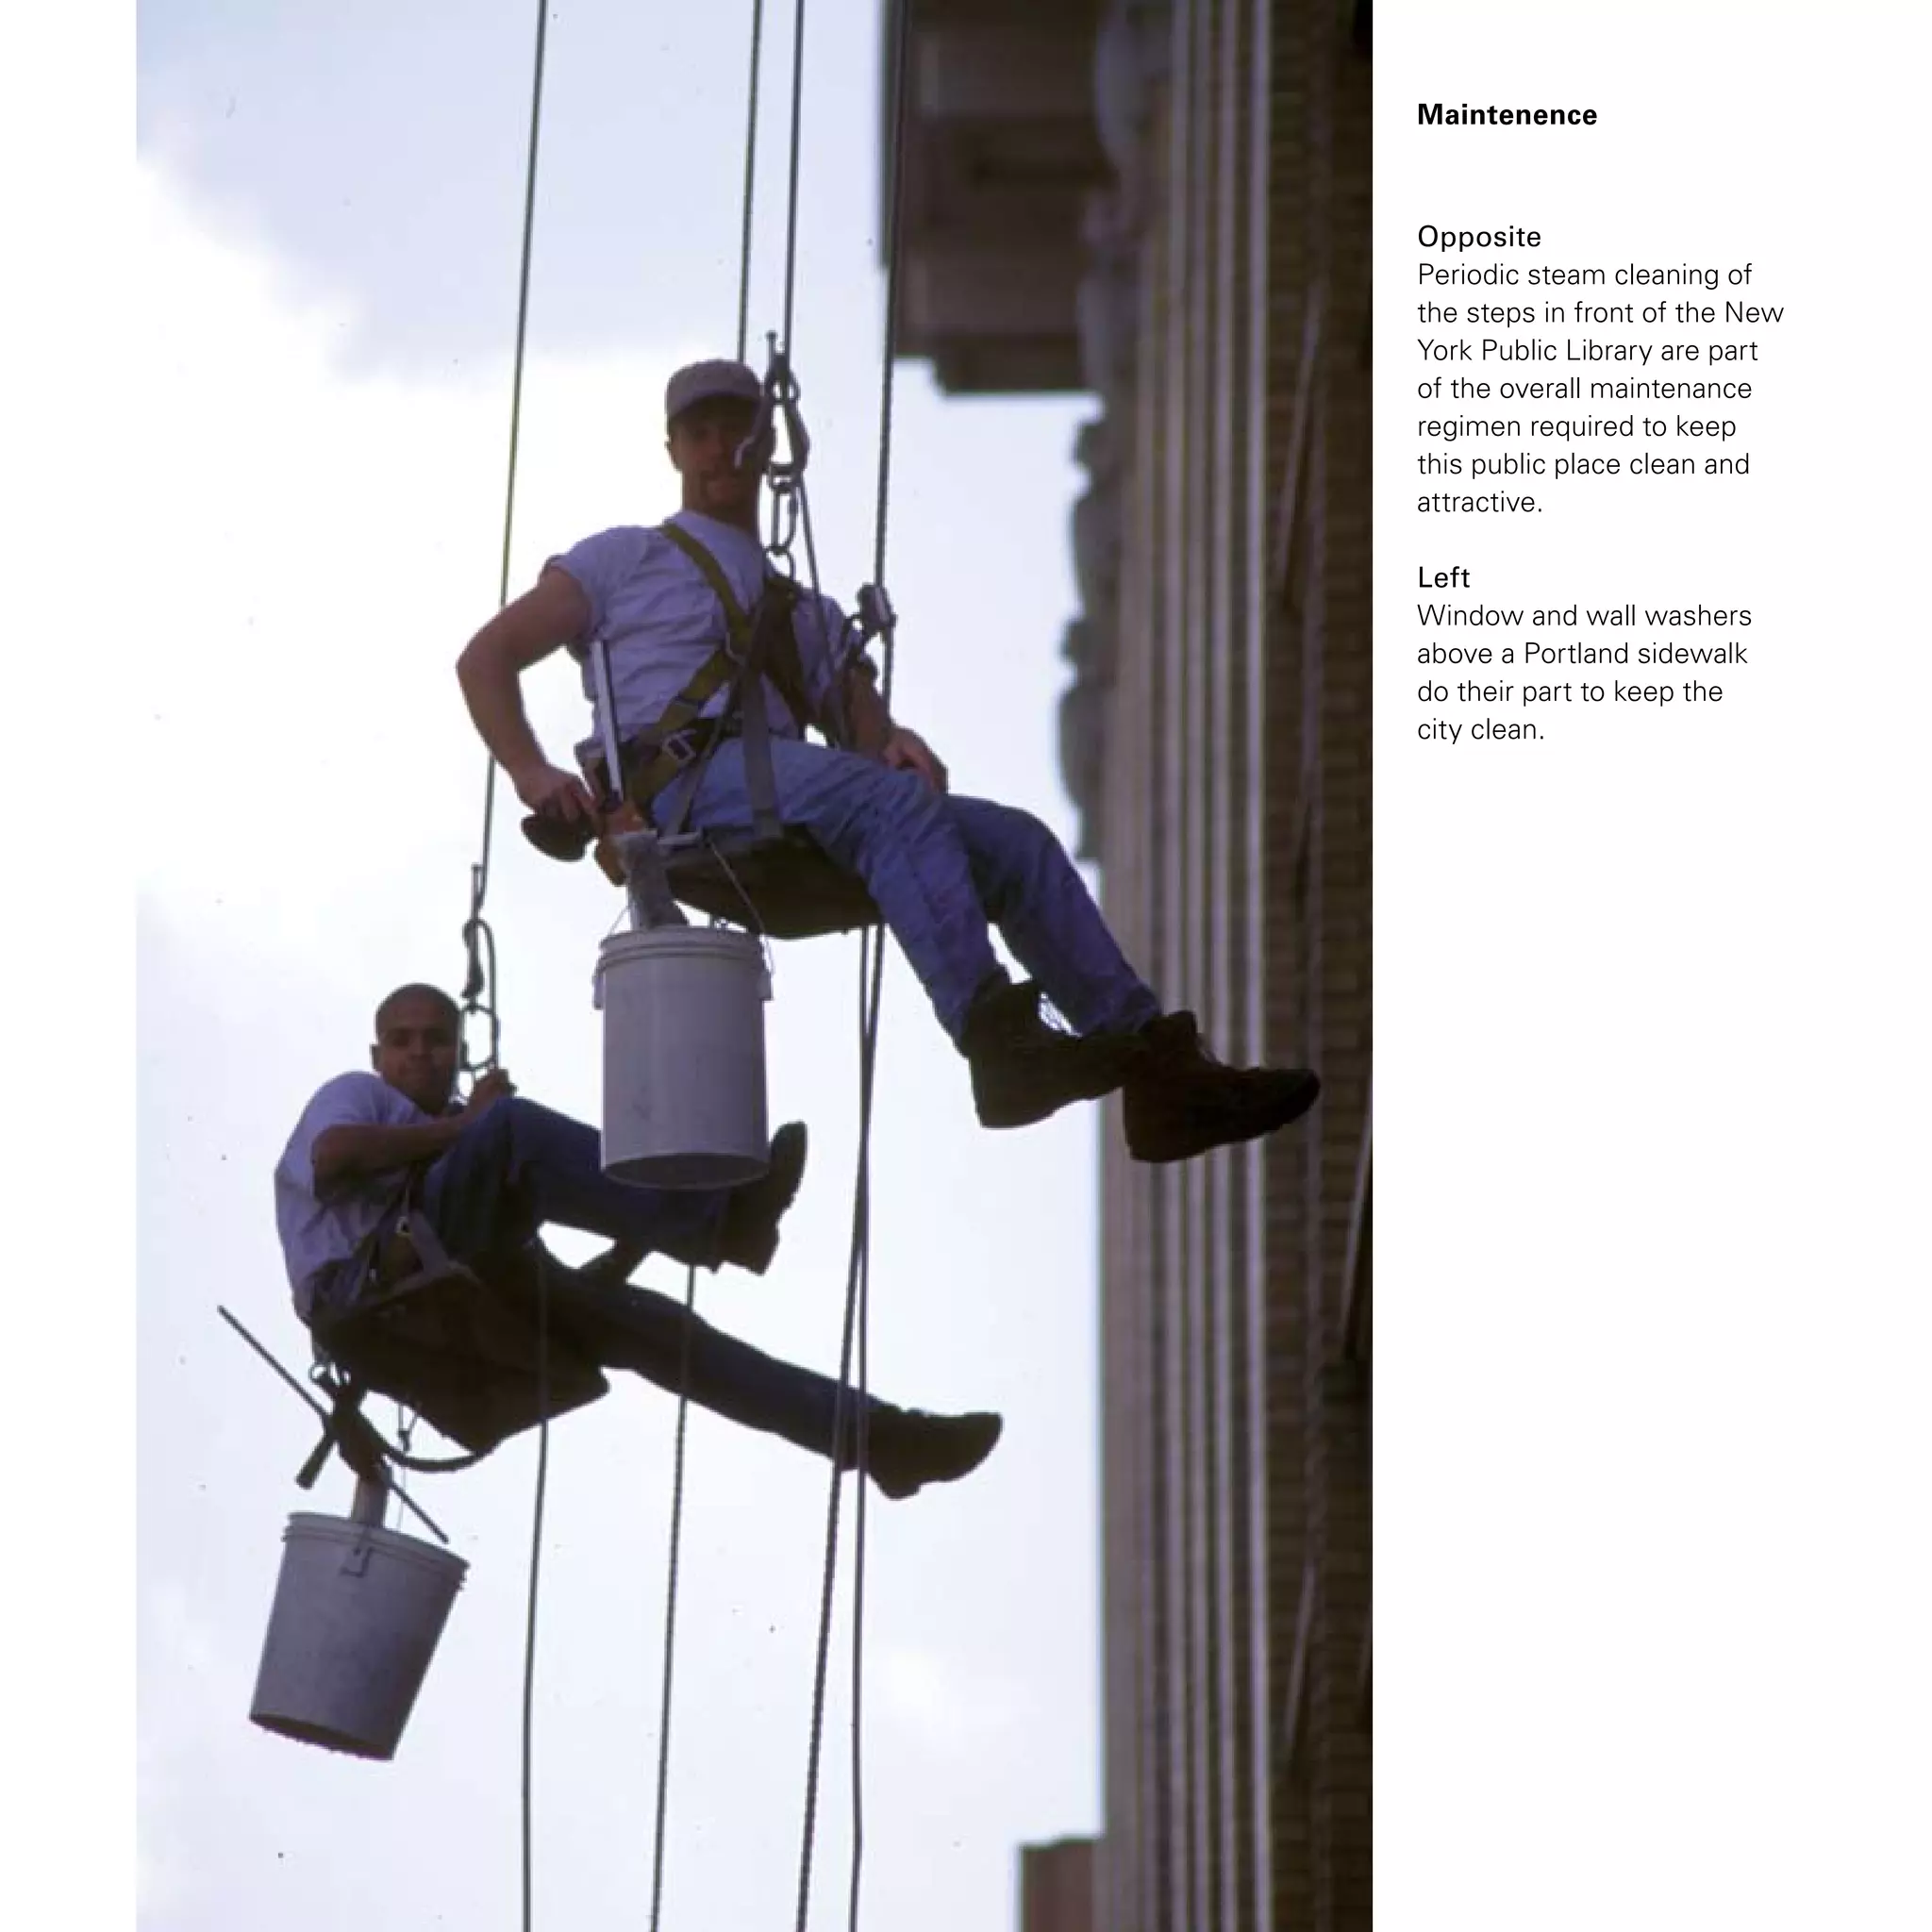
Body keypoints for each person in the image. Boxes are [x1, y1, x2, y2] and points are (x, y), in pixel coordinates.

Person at [455, 358, 1321, 1163]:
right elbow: (486, 658)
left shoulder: (803, 615)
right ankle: (997, 1040)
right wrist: (536, 775)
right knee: (888, 807)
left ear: (766, 443)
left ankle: (1161, 1074)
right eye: (703, 429)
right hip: (689, 797)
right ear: (674, 447)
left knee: (1013, 844)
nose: (722, 446)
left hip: (794, 818)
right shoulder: (623, 558)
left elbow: (872, 745)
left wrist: (894, 743)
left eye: (738, 428)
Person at [272, 983, 1001, 1499]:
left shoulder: (462, 1160)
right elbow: (334, 1155)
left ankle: (882, 1441)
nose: (420, 1054)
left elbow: (542, 1260)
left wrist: (634, 1232)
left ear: (458, 1053)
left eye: (437, 1041)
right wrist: (471, 1127)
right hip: (367, 1289)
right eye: (402, 1042)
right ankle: (721, 1221)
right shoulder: (368, 1098)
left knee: (664, 1332)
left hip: (450, 1274)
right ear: (376, 1054)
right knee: (512, 1129)